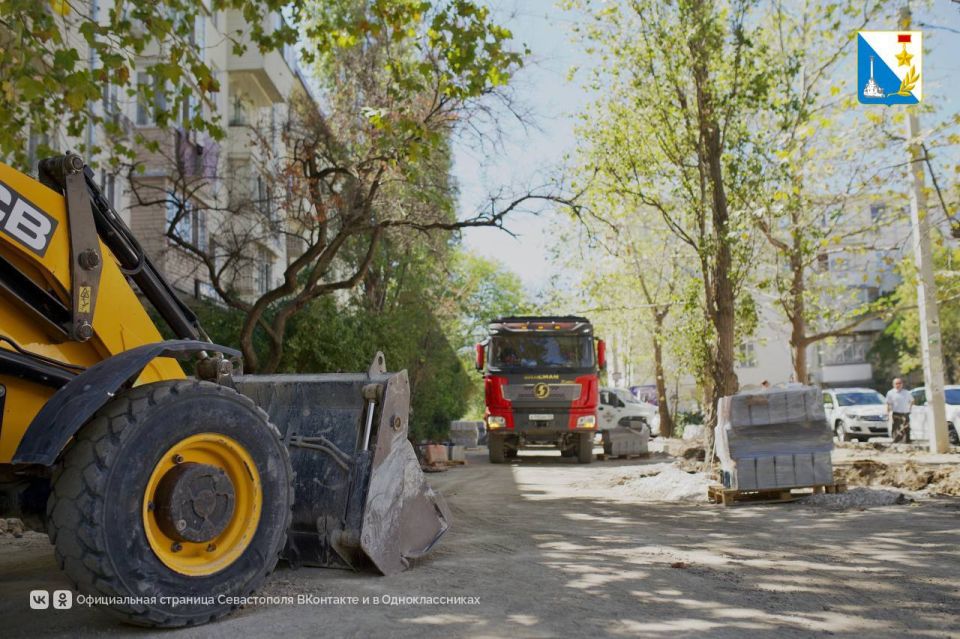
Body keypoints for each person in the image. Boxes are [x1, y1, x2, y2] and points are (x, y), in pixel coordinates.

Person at [885, 378, 914, 443]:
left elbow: (912, 401)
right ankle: (896, 441)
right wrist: (887, 413)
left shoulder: (906, 392)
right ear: (893, 384)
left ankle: (907, 441)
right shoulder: (890, 393)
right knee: (896, 428)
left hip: (905, 413)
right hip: (896, 413)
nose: (898, 385)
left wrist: (910, 409)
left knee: (906, 427)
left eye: (899, 383)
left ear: (902, 384)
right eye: (896, 383)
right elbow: (888, 403)